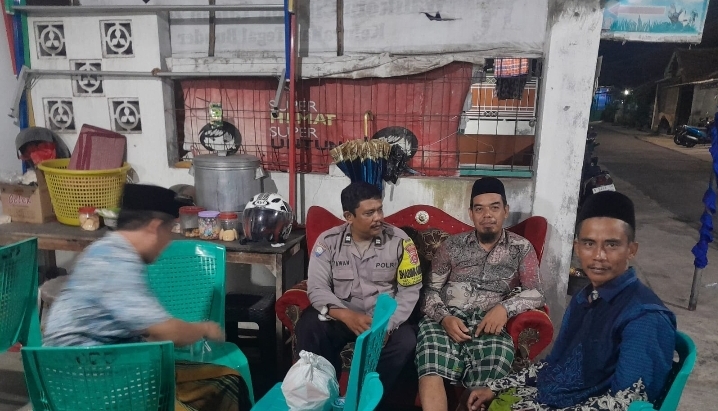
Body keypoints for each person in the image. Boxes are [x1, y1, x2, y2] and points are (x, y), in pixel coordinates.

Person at [465, 191, 677, 411]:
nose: (598, 255)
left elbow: (627, 404)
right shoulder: (584, 298)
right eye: (589, 244)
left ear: (631, 250)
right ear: (577, 248)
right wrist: (496, 387)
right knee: (475, 399)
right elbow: (554, 365)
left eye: (612, 245)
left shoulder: (644, 317)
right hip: (546, 397)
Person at [43, 191, 251, 411]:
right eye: (168, 232)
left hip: (103, 371)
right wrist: (204, 329)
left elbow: (148, 330)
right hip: (93, 388)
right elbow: (168, 333)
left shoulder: (103, 249)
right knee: (217, 387)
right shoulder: (118, 263)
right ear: (154, 227)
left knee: (228, 381)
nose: (167, 243)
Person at [416, 177, 545, 411]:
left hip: (489, 323)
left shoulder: (521, 248)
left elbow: (536, 292)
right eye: (479, 209)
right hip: (447, 318)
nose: (487, 215)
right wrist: (444, 318)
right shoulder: (451, 246)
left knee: (496, 359)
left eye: (494, 207)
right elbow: (430, 290)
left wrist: (504, 308)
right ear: (471, 213)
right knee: (430, 359)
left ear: (505, 211)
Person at [295, 182, 422, 390]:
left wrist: (386, 325)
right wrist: (347, 316)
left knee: (407, 340)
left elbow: (409, 291)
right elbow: (317, 288)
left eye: (380, 209)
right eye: (369, 213)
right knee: (310, 325)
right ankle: (322, 392)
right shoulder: (328, 242)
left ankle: (367, 395)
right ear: (349, 216)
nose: (378, 217)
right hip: (342, 316)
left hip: (382, 319)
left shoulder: (400, 241)